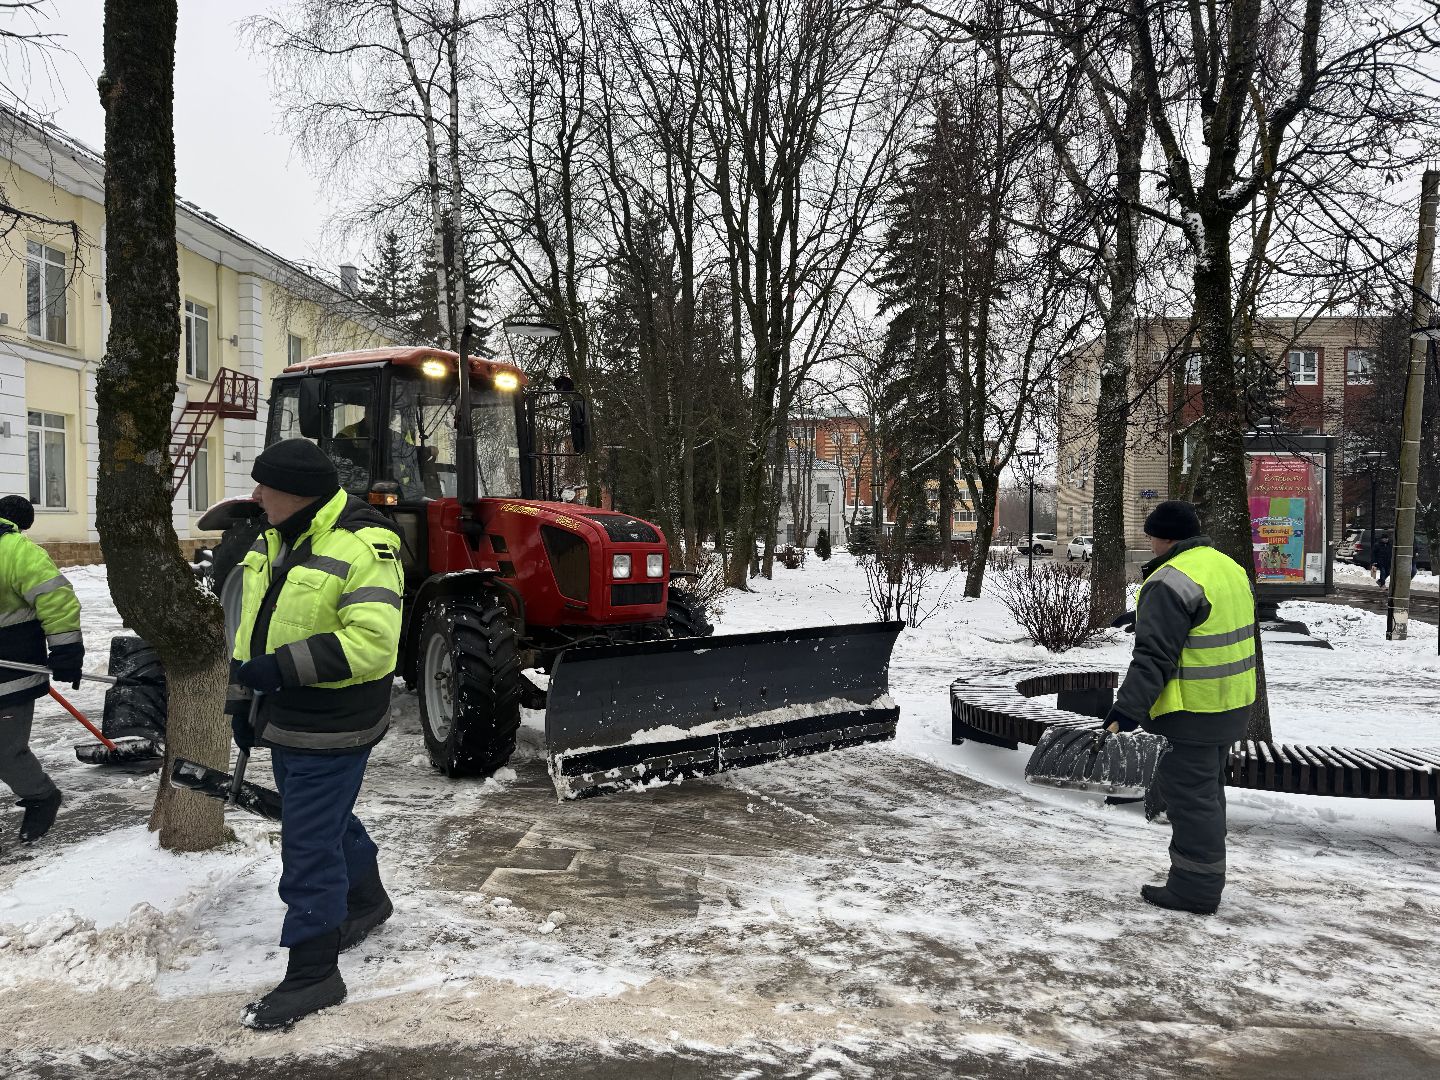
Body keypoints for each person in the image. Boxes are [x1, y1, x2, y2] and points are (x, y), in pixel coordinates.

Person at [229, 439, 405, 1029]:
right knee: (319, 816)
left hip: (335, 720)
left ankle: (314, 973)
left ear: (296, 492)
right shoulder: (271, 538)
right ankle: (367, 899)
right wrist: (241, 700)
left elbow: (372, 644)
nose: (254, 495)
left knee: (307, 842)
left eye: (263, 485)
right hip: (284, 711)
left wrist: (278, 670)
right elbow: (249, 631)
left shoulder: (365, 546)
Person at [1105, 500, 1256, 916]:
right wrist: (1144, 616)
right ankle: (1204, 878)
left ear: (1165, 537)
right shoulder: (1226, 566)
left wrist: (1125, 712)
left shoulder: (1168, 581)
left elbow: (1154, 658)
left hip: (1191, 711)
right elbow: (1209, 620)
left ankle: (1194, 890)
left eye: (1152, 534)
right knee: (1207, 794)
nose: (1150, 541)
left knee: (1191, 801)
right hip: (1231, 703)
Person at [0, 494, 81, 846]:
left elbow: (56, 598)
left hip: (11, 671)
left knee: (5, 750)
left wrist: (65, 651)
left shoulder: (18, 551)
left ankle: (40, 796)